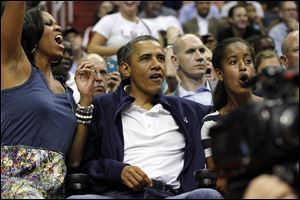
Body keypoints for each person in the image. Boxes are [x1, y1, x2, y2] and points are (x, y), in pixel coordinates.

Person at [69, 35, 222, 199]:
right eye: (145, 58)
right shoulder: (103, 107)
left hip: (172, 195)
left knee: (207, 195)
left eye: (161, 58)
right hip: (119, 195)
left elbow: (230, 110)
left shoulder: (187, 110)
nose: (156, 65)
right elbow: (83, 164)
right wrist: (118, 171)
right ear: (125, 69)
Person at [1, 2, 95, 198]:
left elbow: (74, 160)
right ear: (32, 32)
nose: (58, 27)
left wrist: (85, 98)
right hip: (11, 182)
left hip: (53, 187)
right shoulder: (15, 67)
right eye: (49, 24)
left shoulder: (68, 92)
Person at [200, 38, 263, 194]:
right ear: (219, 73)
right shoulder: (212, 124)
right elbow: (219, 179)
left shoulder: (271, 108)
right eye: (233, 62)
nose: (243, 67)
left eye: (248, 61)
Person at [169, 34, 214, 106]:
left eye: (202, 51)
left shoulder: (226, 91)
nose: (200, 57)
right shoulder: (168, 104)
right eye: (191, 51)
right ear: (175, 60)